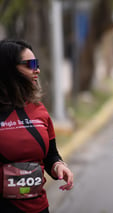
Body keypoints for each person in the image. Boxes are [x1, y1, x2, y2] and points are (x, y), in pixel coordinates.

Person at [0, 39, 74, 212]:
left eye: (37, 64)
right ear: (9, 69)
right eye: (31, 64)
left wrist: (59, 167)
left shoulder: (39, 110)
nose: (37, 70)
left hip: (39, 208)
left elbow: (50, 156)